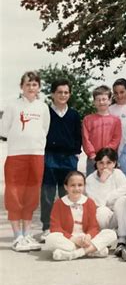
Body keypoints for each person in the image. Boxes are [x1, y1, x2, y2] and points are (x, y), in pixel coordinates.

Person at [2, 71, 50, 252]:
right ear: (21, 86)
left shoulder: (43, 107)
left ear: (39, 87)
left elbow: (44, 129)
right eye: (28, 84)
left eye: (35, 84)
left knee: (31, 193)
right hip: (16, 155)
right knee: (14, 193)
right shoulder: (13, 106)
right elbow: (4, 130)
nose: (31, 88)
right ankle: (17, 236)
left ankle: (27, 234)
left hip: (36, 155)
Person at [39, 79, 82, 243]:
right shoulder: (46, 113)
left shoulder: (73, 114)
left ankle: (66, 226)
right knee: (48, 194)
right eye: (59, 92)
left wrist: (76, 153)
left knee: (68, 193)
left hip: (68, 158)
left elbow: (78, 136)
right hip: (50, 156)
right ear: (52, 94)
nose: (63, 95)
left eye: (66, 92)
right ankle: (47, 227)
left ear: (69, 94)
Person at [44, 171, 117, 261]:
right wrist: (74, 240)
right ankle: (91, 250)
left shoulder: (89, 202)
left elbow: (93, 227)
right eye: (72, 185)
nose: (76, 188)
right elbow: (55, 228)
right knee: (50, 238)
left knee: (111, 234)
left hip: (85, 238)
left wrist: (88, 237)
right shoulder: (59, 203)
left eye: (80, 185)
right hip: (69, 239)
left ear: (84, 186)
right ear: (66, 187)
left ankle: (75, 253)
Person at [85, 147, 126, 249]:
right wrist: (102, 181)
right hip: (102, 217)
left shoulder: (118, 173)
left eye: (109, 162)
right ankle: (105, 238)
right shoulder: (90, 179)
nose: (104, 166)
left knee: (123, 200)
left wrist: (110, 198)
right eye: (101, 162)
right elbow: (99, 203)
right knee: (102, 210)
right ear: (96, 163)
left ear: (114, 163)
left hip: (119, 215)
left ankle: (122, 238)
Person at [82, 85, 122, 175]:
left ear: (110, 101)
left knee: (110, 185)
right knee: (92, 185)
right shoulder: (88, 119)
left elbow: (116, 138)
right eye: (98, 99)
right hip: (93, 159)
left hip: (109, 159)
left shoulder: (116, 120)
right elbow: (85, 139)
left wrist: (106, 155)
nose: (101, 102)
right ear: (94, 102)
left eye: (104, 99)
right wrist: (92, 154)